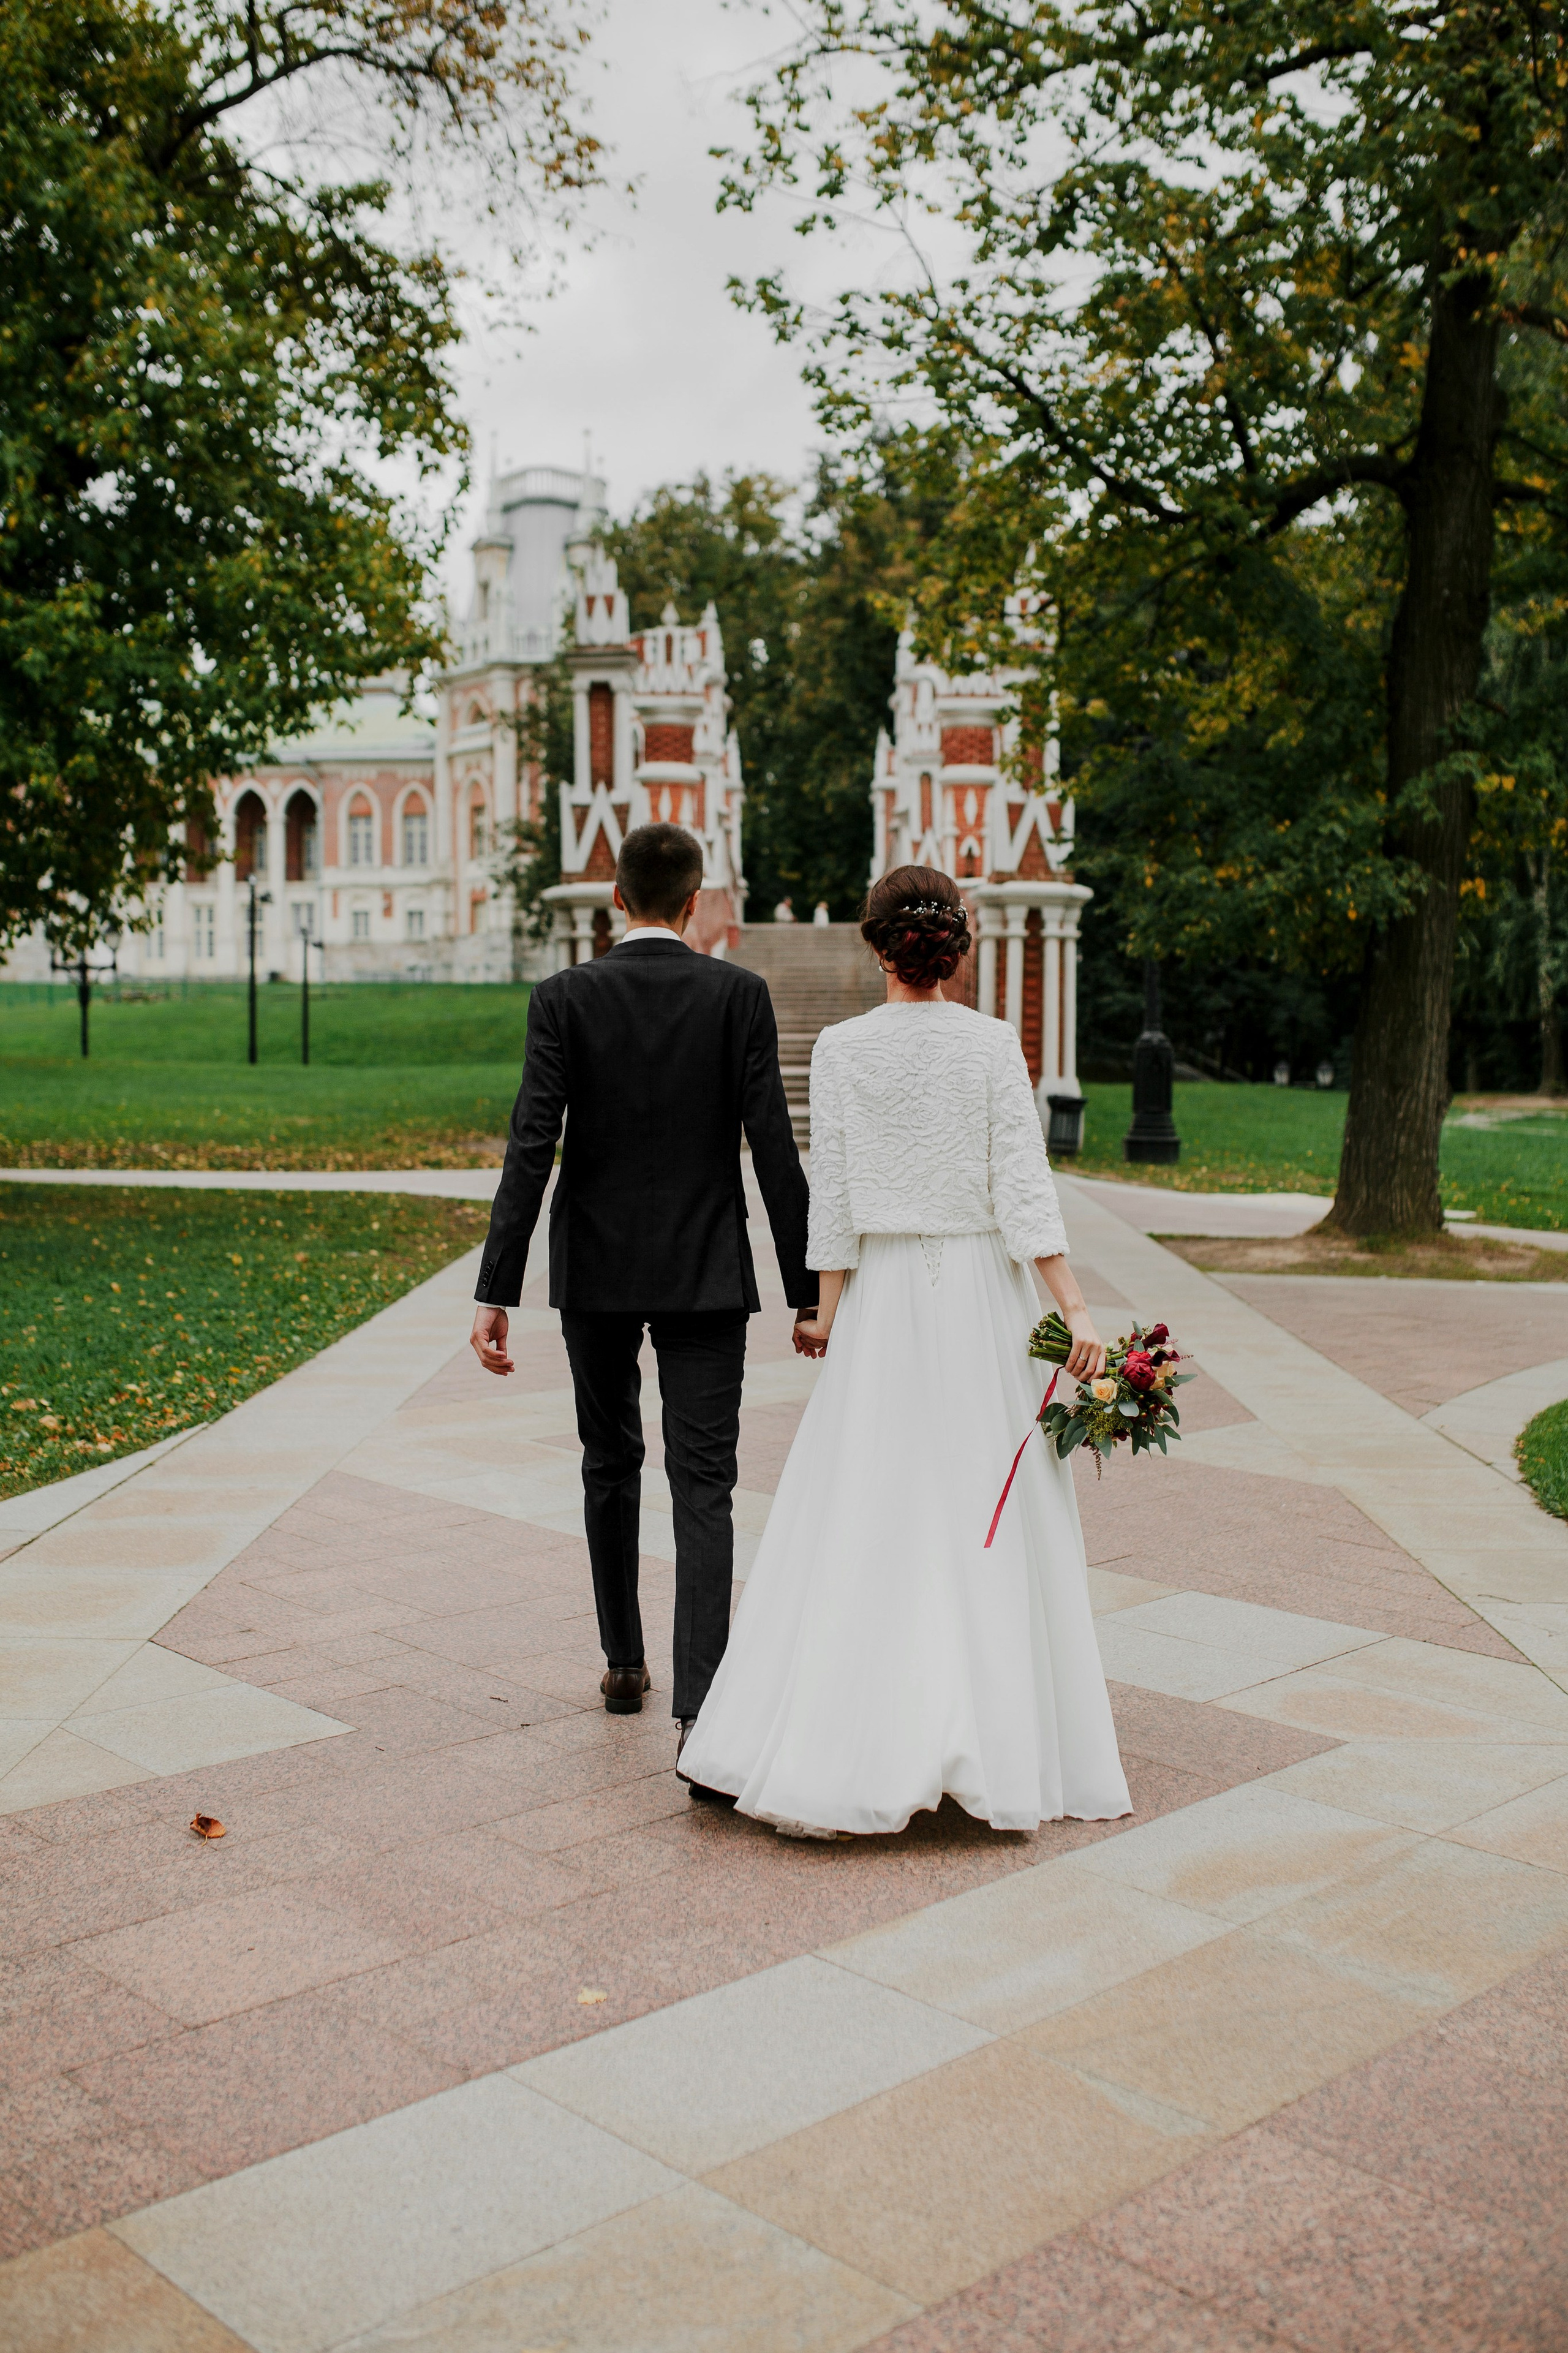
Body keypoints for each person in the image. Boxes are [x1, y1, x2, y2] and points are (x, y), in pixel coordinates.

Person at [676, 866, 1131, 1837]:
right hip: (981, 1301)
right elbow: (1024, 1192)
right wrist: (1079, 1311)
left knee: (869, 1504)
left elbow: (831, 1194)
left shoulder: (841, 1051)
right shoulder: (995, 1045)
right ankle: (996, 1735)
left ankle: (851, 1734)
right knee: (982, 1514)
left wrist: (826, 1313)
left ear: (876, 947)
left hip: (883, 1302)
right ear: (956, 949)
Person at [469, 823, 816, 1780]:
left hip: (599, 1271)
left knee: (609, 1458)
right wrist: (806, 1288)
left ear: (615, 900)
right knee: (704, 1481)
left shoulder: (565, 998)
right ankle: (700, 1711)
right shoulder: (738, 996)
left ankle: (625, 1662)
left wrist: (496, 1286)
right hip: (707, 1271)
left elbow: (530, 1145)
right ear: (698, 899)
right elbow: (774, 1149)